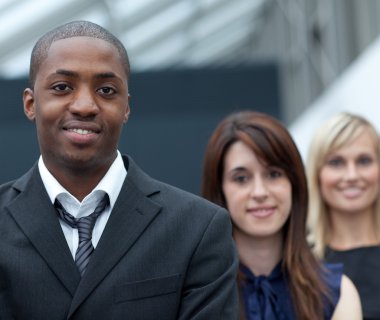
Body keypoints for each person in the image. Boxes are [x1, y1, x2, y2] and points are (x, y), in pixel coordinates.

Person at [0, 20, 239, 319]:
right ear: (30, 103)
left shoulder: (197, 229)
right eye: (62, 87)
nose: (85, 106)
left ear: (126, 108)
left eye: (106, 90)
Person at [201, 110, 362, 319]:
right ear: (219, 189)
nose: (260, 192)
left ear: (294, 184)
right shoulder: (200, 292)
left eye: (274, 174)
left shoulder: (337, 292)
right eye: (241, 178)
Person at [307, 112, 380, 319]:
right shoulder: (301, 264)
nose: (351, 176)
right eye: (336, 162)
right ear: (316, 173)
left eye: (364, 161)